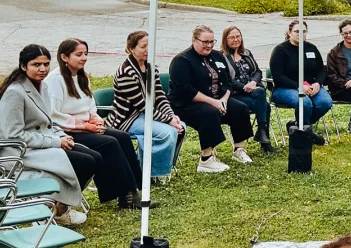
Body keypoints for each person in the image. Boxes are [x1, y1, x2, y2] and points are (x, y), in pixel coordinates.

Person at [0, 44, 96, 226]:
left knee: (94, 158)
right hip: (19, 152)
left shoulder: (42, 86)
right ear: (24, 66)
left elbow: (48, 121)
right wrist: (55, 141)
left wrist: (62, 136)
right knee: (85, 162)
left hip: (41, 145)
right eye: (36, 64)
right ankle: (55, 208)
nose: (43, 69)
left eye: (46, 64)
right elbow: (14, 136)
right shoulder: (15, 92)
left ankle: (59, 206)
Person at [46, 38, 148, 210]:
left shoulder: (81, 76)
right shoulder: (55, 80)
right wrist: (85, 126)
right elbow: (53, 115)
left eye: (86, 54)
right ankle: (123, 194)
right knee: (109, 143)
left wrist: (95, 120)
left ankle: (134, 189)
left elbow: (90, 104)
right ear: (64, 57)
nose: (84, 58)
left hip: (87, 126)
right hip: (67, 130)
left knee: (122, 137)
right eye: (78, 54)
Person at [169, 25, 255, 172]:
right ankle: (206, 159)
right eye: (205, 42)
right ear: (194, 40)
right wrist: (214, 102)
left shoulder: (217, 56)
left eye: (211, 42)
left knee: (240, 108)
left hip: (217, 99)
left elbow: (228, 81)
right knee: (209, 113)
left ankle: (239, 150)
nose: (209, 45)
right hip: (186, 104)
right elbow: (185, 90)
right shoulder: (182, 60)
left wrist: (224, 100)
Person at [105, 30, 185, 181]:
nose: (147, 50)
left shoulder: (151, 67)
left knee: (181, 127)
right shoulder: (126, 72)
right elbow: (142, 105)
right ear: (131, 48)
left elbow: (160, 95)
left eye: (150, 45)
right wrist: (168, 121)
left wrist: (171, 116)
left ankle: (148, 166)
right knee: (167, 132)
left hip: (145, 114)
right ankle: (150, 173)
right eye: (143, 46)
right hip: (126, 119)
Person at [270, 20, 332, 145]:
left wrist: (318, 83)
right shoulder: (280, 50)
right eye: (297, 31)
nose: (300, 34)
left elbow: (322, 70)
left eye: (304, 31)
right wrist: (299, 87)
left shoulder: (311, 48)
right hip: (285, 88)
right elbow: (278, 76)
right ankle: (307, 135)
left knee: (325, 102)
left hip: (311, 86)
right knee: (305, 103)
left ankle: (299, 126)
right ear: (289, 33)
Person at [222, 26, 274, 152]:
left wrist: (253, 82)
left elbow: (257, 71)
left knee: (260, 92)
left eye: (238, 36)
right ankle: (264, 139)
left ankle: (262, 134)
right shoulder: (222, 57)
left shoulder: (247, 53)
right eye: (232, 37)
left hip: (254, 92)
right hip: (236, 95)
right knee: (265, 106)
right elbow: (226, 80)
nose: (236, 39)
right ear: (225, 39)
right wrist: (244, 87)